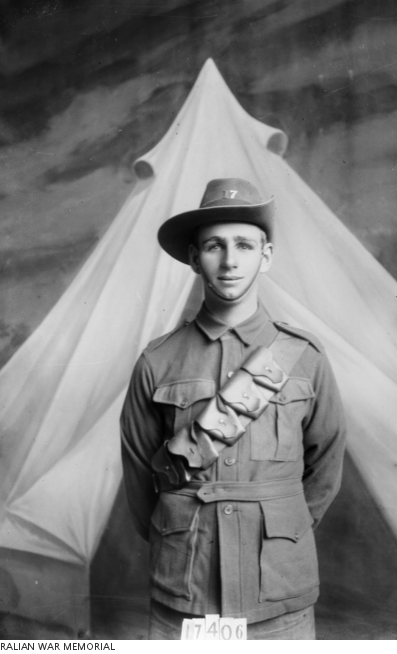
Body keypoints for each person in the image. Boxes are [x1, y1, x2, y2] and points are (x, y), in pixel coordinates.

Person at [120, 178, 346, 640]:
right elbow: (141, 478)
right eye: (213, 246)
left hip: (278, 590)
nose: (229, 260)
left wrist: (283, 527)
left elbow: (326, 465)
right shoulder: (157, 361)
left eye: (244, 245)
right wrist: (177, 533)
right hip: (184, 589)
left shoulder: (304, 357)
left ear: (266, 256)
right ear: (193, 258)